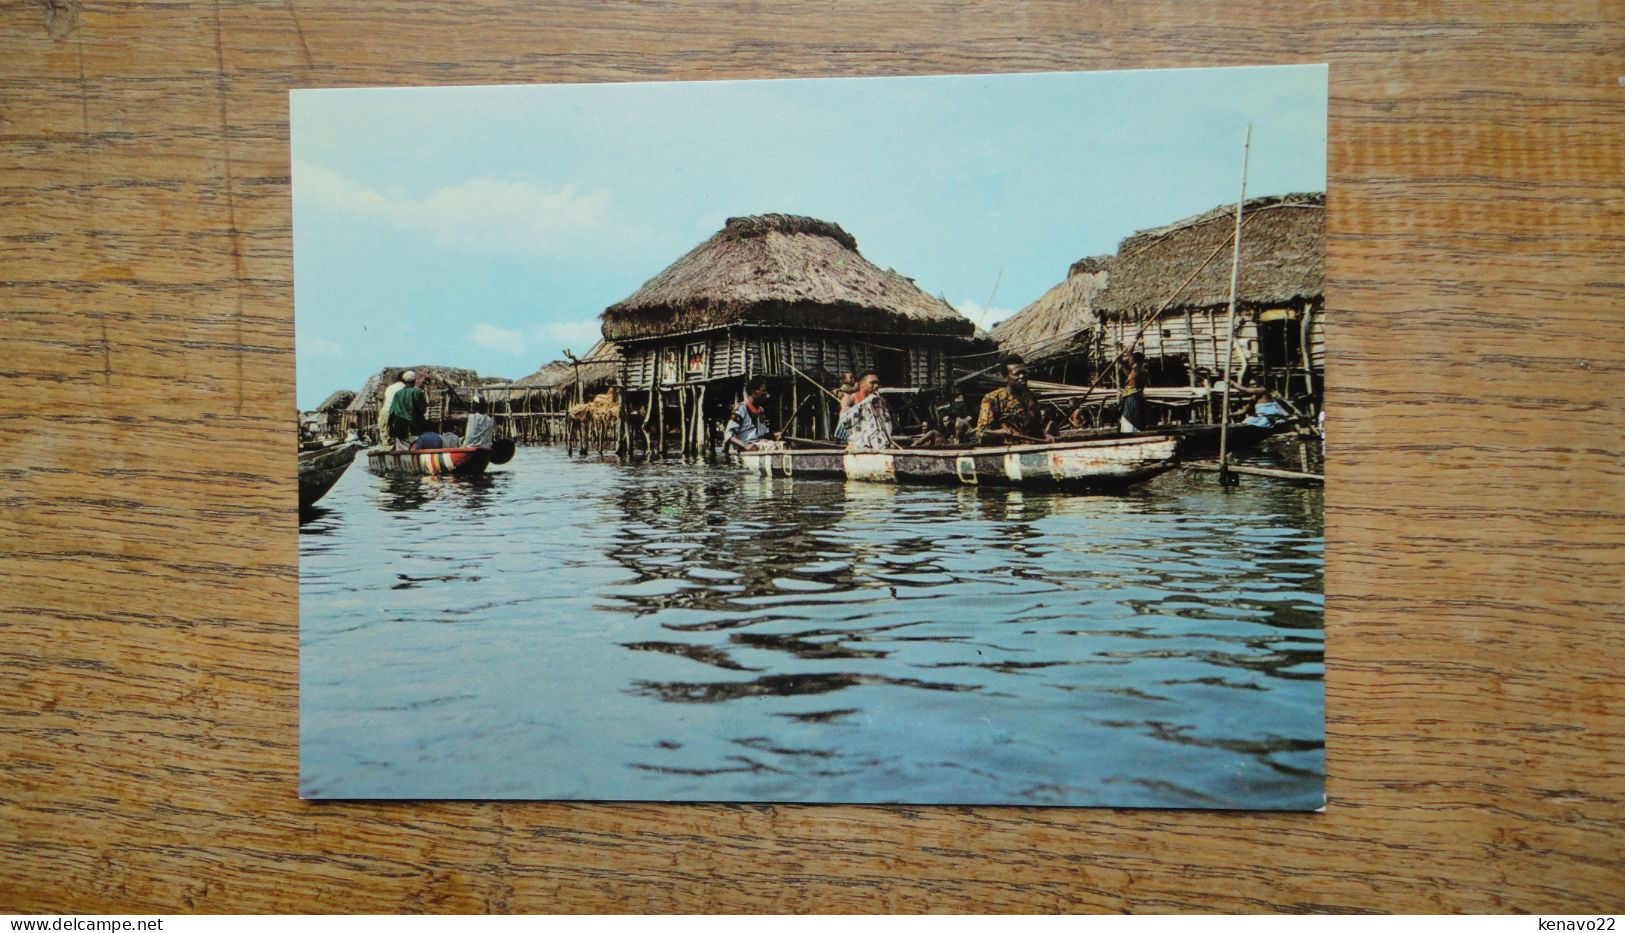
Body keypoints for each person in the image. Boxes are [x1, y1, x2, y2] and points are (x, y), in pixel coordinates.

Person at [975, 355, 1051, 444]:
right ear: (1005, 377)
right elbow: (981, 434)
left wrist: (1047, 436)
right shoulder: (992, 399)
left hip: (1030, 449)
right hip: (1004, 452)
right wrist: (1001, 432)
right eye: (1017, 373)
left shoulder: (1031, 397)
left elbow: (1037, 430)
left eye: (1024, 372)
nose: (1022, 376)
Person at [836, 370, 894, 450]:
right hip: (858, 445)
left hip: (878, 444)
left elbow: (886, 422)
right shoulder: (849, 399)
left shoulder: (880, 400)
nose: (876, 386)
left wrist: (889, 440)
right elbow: (843, 420)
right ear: (861, 384)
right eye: (872, 383)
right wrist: (866, 402)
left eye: (877, 383)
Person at [725, 377, 781, 452]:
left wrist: (773, 435)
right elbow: (728, 435)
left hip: (760, 445)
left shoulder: (760, 410)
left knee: (783, 445)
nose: (766, 394)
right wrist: (745, 446)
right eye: (763, 391)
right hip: (747, 449)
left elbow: (763, 434)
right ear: (754, 391)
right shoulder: (741, 409)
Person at [388, 370, 430, 448]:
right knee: (416, 448)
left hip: (400, 428)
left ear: (404, 381)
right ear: (414, 381)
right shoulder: (417, 393)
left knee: (401, 449)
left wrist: (390, 428)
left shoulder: (397, 394)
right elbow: (422, 409)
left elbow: (392, 413)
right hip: (415, 427)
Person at [377, 370, 412, 446]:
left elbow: (385, 402)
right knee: (402, 439)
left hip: (385, 413)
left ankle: (388, 453)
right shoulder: (405, 388)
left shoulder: (390, 387)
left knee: (386, 439)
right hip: (398, 415)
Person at [1119, 349, 1149, 433]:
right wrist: (1119, 358)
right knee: (1127, 421)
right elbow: (1123, 364)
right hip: (1130, 398)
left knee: (1132, 423)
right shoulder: (1131, 372)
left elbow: (1131, 357)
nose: (1128, 360)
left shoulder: (1139, 370)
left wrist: (1130, 351)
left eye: (1130, 359)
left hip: (1134, 398)